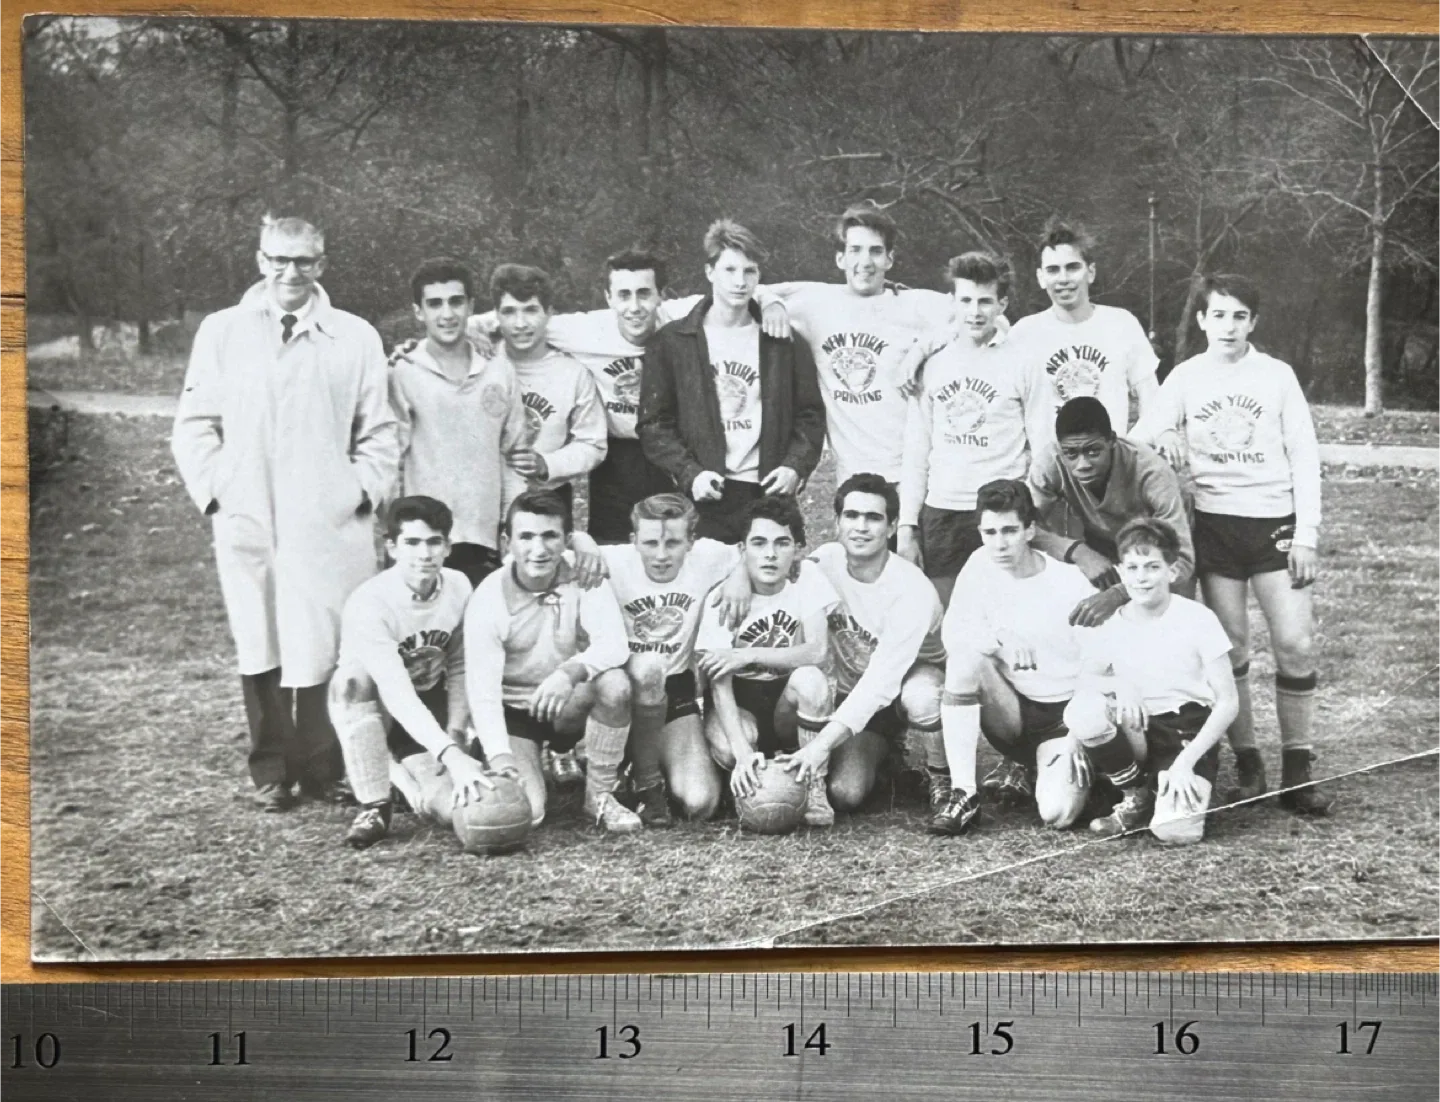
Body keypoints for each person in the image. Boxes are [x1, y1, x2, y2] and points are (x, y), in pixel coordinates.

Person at [172, 214, 398, 813]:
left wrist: (357, 493)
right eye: (279, 259)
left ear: (321, 265)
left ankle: (326, 766)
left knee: (323, 636)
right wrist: (218, 493)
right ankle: (273, 768)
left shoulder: (355, 336)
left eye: (303, 261)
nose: (290, 272)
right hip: (247, 514)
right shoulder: (223, 333)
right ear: (260, 260)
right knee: (260, 634)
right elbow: (195, 425)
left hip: (328, 519)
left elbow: (380, 431)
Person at [1131, 274, 1326, 813]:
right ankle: (1249, 760)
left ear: (1253, 323)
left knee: (1295, 643)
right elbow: (1139, 435)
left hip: (1274, 525)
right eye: (1219, 315)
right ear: (1202, 320)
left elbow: (1306, 457)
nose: (1229, 326)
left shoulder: (1277, 376)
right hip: (1216, 527)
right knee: (1232, 647)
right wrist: (1167, 433)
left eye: (1240, 316)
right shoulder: (1186, 377)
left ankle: (1298, 766)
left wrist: (1305, 535)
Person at [464, 489, 642, 832]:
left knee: (615, 684)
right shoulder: (489, 596)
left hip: (563, 700)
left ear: (566, 540)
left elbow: (615, 644)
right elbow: (482, 691)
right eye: (526, 536)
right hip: (513, 710)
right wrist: (501, 755)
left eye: (549, 536)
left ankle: (600, 796)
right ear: (506, 542)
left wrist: (568, 673)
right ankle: (490, 752)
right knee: (530, 814)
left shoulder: (582, 573)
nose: (539, 548)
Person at [638, 218, 826, 543]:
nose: (740, 282)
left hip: (768, 492)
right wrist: (689, 472)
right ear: (710, 272)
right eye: (730, 270)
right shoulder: (674, 341)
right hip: (705, 495)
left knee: (771, 589)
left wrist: (795, 467)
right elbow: (654, 424)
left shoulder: (782, 341)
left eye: (749, 271)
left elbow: (809, 415)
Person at [328, 496, 497, 849]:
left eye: (434, 542)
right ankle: (375, 802)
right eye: (412, 542)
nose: (425, 554)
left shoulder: (459, 585)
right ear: (391, 547)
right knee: (349, 683)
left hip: (428, 698)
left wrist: (456, 731)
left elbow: (461, 663)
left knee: (456, 809)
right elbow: (395, 692)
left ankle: (401, 778)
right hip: (380, 706)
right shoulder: (370, 602)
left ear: (449, 546)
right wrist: (450, 755)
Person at [778, 474, 947, 825]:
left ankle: (942, 775)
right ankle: (884, 762)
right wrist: (736, 576)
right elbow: (778, 574)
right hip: (851, 693)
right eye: (852, 516)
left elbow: (883, 682)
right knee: (845, 793)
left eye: (873, 518)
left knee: (922, 697)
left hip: (902, 690)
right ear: (837, 522)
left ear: (891, 527)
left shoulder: (910, 589)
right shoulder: (825, 562)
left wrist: (821, 745)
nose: (861, 527)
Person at [753, 201, 958, 491]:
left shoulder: (916, 304)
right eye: (855, 250)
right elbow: (742, 292)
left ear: (890, 259)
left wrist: (920, 350)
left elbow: (988, 318)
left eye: (875, 251)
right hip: (852, 477)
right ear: (840, 259)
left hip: (915, 470)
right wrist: (770, 302)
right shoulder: (816, 302)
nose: (865, 261)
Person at [937, 479, 1099, 835]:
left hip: (1064, 716)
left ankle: (1052, 767)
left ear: (1030, 530)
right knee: (965, 662)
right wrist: (1000, 639)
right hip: (1013, 713)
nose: (999, 543)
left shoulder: (1068, 582)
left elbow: (1101, 659)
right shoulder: (980, 564)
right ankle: (964, 793)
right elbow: (953, 633)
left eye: (1009, 531)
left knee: (1057, 813)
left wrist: (1079, 730)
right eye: (989, 532)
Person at [1063, 518, 1239, 842]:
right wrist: (1119, 686)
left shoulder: (1198, 619)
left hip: (1184, 726)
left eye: (1152, 567)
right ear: (1121, 571)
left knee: (1174, 831)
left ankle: (1170, 784)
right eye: (1132, 568)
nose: (1141, 578)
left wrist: (1186, 762)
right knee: (1083, 712)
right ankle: (1135, 794)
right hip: (1138, 726)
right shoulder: (1112, 622)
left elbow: (1228, 701)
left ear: (1171, 571)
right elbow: (1087, 680)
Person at [579, 493, 747, 824]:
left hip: (674, 686)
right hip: (622, 688)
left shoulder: (710, 556)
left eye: (672, 543)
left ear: (691, 542)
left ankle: (636, 763)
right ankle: (643, 780)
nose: (660, 555)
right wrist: (581, 539)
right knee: (646, 668)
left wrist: (740, 575)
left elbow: (745, 552)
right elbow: (559, 553)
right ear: (633, 541)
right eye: (650, 543)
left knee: (701, 802)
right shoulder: (612, 560)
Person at [897, 250, 1050, 606]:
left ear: (1002, 304)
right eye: (965, 300)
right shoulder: (933, 365)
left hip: (1003, 512)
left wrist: (1032, 513)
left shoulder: (1024, 362)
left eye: (985, 301)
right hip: (944, 510)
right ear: (952, 302)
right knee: (949, 618)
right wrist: (907, 526)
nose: (974, 311)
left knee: (1010, 614)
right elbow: (917, 452)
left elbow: (1043, 448)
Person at [390, 257, 528, 586]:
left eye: (456, 301)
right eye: (434, 304)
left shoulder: (499, 370)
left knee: (481, 634)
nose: (447, 314)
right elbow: (389, 459)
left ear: (471, 306)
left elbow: (514, 457)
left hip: (483, 539)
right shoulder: (403, 372)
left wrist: (513, 528)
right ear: (418, 312)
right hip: (423, 542)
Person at [695, 496, 839, 806]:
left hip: (784, 701)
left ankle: (814, 786)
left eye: (782, 543)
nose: (770, 554)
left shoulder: (808, 578)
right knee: (730, 749)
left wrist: (748, 654)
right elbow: (719, 684)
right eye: (759, 543)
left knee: (812, 681)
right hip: (739, 701)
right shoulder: (723, 597)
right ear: (742, 549)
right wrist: (742, 751)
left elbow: (816, 652)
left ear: (797, 548)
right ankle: (745, 774)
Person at [1028, 397, 1194, 628]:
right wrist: (1077, 551)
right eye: (1071, 454)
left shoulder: (1151, 470)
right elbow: (1023, 526)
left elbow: (1181, 561)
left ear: (1112, 441)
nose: (1082, 464)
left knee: (1169, 630)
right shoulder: (1050, 461)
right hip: (1102, 543)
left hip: (1162, 547)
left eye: (1093, 451)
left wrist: (1118, 594)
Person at [1008, 218, 1159, 439]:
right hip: (1050, 467)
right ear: (1041, 278)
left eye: (1072, 268)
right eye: (1053, 270)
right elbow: (1005, 408)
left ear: (1091, 272)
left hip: (1110, 466)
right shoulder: (1023, 333)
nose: (1063, 279)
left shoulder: (1121, 324)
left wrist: (1131, 452)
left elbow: (1151, 400)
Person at [489, 264, 608, 512]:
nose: (520, 323)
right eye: (509, 312)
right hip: (486, 497)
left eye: (531, 310)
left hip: (548, 499)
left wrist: (547, 463)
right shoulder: (481, 365)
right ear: (496, 316)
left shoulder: (572, 373)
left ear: (549, 313)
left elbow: (593, 444)